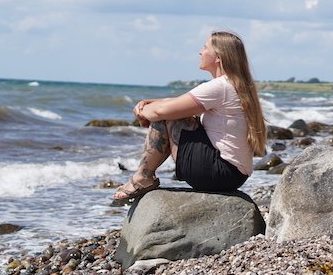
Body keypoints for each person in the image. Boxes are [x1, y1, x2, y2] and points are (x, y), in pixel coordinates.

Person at [112, 31, 267, 204]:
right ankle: (143, 176)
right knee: (175, 113)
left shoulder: (220, 86)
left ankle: (143, 176)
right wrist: (153, 104)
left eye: (205, 48)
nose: (200, 52)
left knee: (172, 116)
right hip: (233, 175)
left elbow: (161, 112)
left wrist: (142, 111)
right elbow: (181, 102)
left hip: (219, 172)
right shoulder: (234, 85)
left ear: (218, 57)